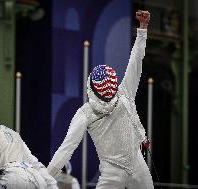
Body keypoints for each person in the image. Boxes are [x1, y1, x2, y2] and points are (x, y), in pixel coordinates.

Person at [48, 10, 154, 189]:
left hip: (126, 167)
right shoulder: (124, 92)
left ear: (91, 87)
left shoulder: (86, 112)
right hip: (130, 165)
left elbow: (66, 149)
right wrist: (142, 30)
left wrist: (44, 178)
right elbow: (136, 60)